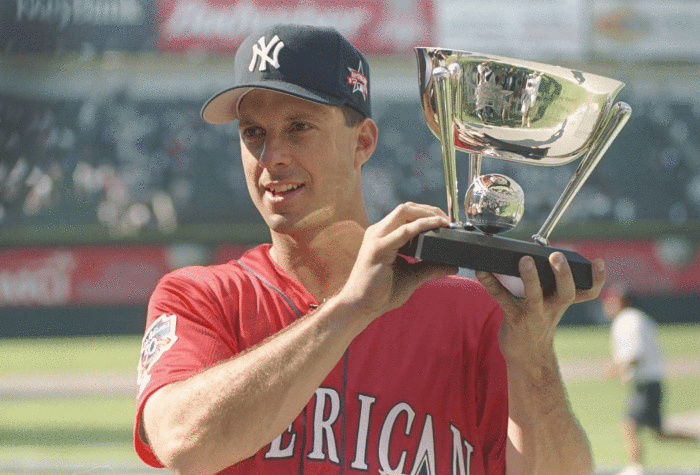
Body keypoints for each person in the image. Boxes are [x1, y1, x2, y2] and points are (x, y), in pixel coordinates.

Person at [134, 23, 605, 475]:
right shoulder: (198, 297)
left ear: (362, 142)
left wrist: (533, 357)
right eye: (253, 132)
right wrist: (349, 310)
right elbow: (181, 444)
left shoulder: (474, 315)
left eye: (298, 127)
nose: (271, 156)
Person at [602, 286, 698, 475]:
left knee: (629, 426)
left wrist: (616, 368)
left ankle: (635, 468)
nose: (607, 305)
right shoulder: (636, 318)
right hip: (649, 381)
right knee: (658, 433)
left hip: (646, 383)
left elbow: (634, 355)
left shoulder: (629, 320)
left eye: (612, 301)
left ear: (622, 301)